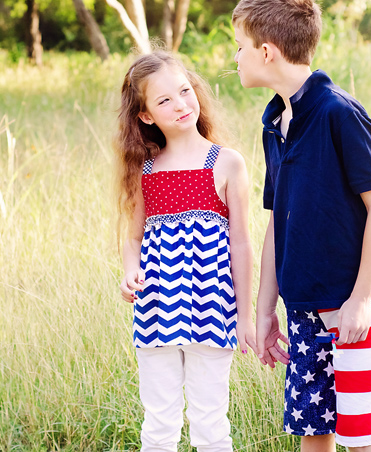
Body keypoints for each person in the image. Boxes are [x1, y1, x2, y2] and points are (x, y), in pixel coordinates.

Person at [232, 0, 371, 452]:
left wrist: (362, 299)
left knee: (363, 440)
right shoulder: (274, 124)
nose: (236, 58)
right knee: (313, 434)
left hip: (350, 309)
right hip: (302, 310)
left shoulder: (337, 113)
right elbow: (277, 224)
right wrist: (265, 311)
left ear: (266, 52)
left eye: (239, 48)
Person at [114, 50, 256, 452]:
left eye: (184, 91)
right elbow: (134, 237)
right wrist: (129, 270)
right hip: (157, 310)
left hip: (213, 310)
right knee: (159, 422)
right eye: (164, 101)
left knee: (210, 423)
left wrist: (245, 315)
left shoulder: (226, 164)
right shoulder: (146, 170)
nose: (180, 104)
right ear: (145, 116)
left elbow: (242, 243)